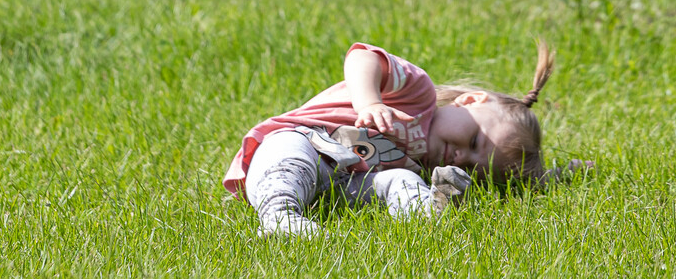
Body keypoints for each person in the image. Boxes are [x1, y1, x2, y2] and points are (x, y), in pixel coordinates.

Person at [223, 41, 571, 237]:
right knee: (291, 155)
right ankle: (281, 217)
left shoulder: (422, 165)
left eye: (471, 166)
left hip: (345, 187)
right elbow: (363, 56)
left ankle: (432, 213)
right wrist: (370, 100)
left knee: (402, 180)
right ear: (470, 101)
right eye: (474, 141)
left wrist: (558, 174)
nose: (459, 155)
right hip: (303, 143)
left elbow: (517, 181)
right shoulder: (416, 95)